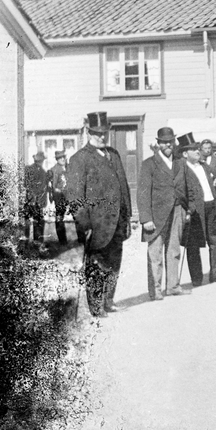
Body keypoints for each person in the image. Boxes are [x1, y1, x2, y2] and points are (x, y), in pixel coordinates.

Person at [66, 111, 132, 316]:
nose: (101, 137)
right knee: (96, 266)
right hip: (96, 226)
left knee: (114, 263)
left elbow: (123, 187)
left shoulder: (114, 154)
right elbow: (75, 197)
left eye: (104, 133)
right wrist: (84, 226)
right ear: (88, 132)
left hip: (117, 222)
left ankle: (109, 300)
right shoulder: (80, 159)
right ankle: (96, 306)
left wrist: (127, 217)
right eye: (96, 133)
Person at [138, 126, 188, 299]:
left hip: (177, 211)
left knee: (174, 250)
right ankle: (156, 290)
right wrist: (145, 219)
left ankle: (173, 286)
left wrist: (186, 209)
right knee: (155, 254)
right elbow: (143, 193)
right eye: (164, 142)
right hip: (156, 216)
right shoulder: (149, 164)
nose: (168, 145)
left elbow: (185, 186)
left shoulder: (180, 162)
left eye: (170, 142)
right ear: (158, 144)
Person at [180, 134, 216, 285]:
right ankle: (196, 279)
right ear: (185, 154)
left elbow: (212, 183)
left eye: (197, 149)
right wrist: (189, 208)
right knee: (193, 245)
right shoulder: (182, 169)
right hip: (195, 211)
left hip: (212, 206)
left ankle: (215, 274)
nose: (197, 152)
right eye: (193, 149)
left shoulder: (205, 166)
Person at [23, 152, 49, 248]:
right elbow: (42, 188)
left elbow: (25, 185)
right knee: (38, 222)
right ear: (42, 161)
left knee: (27, 221)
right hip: (35, 201)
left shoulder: (28, 169)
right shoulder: (42, 172)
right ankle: (37, 243)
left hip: (28, 200)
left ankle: (25, 244)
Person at [49, 152, 69, 246]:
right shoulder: (55, 169)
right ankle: (62, 241)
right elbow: (54, 187)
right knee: (59, 217)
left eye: (63, 157)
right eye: (60, 158)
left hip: (67, 196)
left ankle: (79, 239)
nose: (63, 159)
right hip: (60, 196)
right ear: (57, 159)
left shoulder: (66, 168)